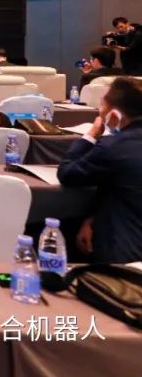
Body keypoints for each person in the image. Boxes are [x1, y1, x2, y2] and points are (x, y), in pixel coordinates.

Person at [58, 78, 142, 263]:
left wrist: (91, 135)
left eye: (102, 106)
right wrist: (92, 217)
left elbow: (67, 174)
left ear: (114, 114)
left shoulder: (114, 146)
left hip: (126, 254)